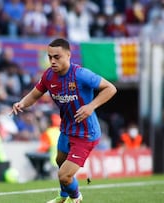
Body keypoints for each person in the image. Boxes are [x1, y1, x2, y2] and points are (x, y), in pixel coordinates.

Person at [12, 38, 117, 203]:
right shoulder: (48, 76)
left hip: (85, 133)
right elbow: (34, 95)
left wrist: (91, 106)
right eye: (50, 57)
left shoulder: (81, 75)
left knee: (64, 176)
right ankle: (63, 197)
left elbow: (111, 88)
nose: (52, 61)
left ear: (68, 55)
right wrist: (22, 103)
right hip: (67, 130)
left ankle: (76, 199)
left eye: (57, 57)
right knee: (60, 161)